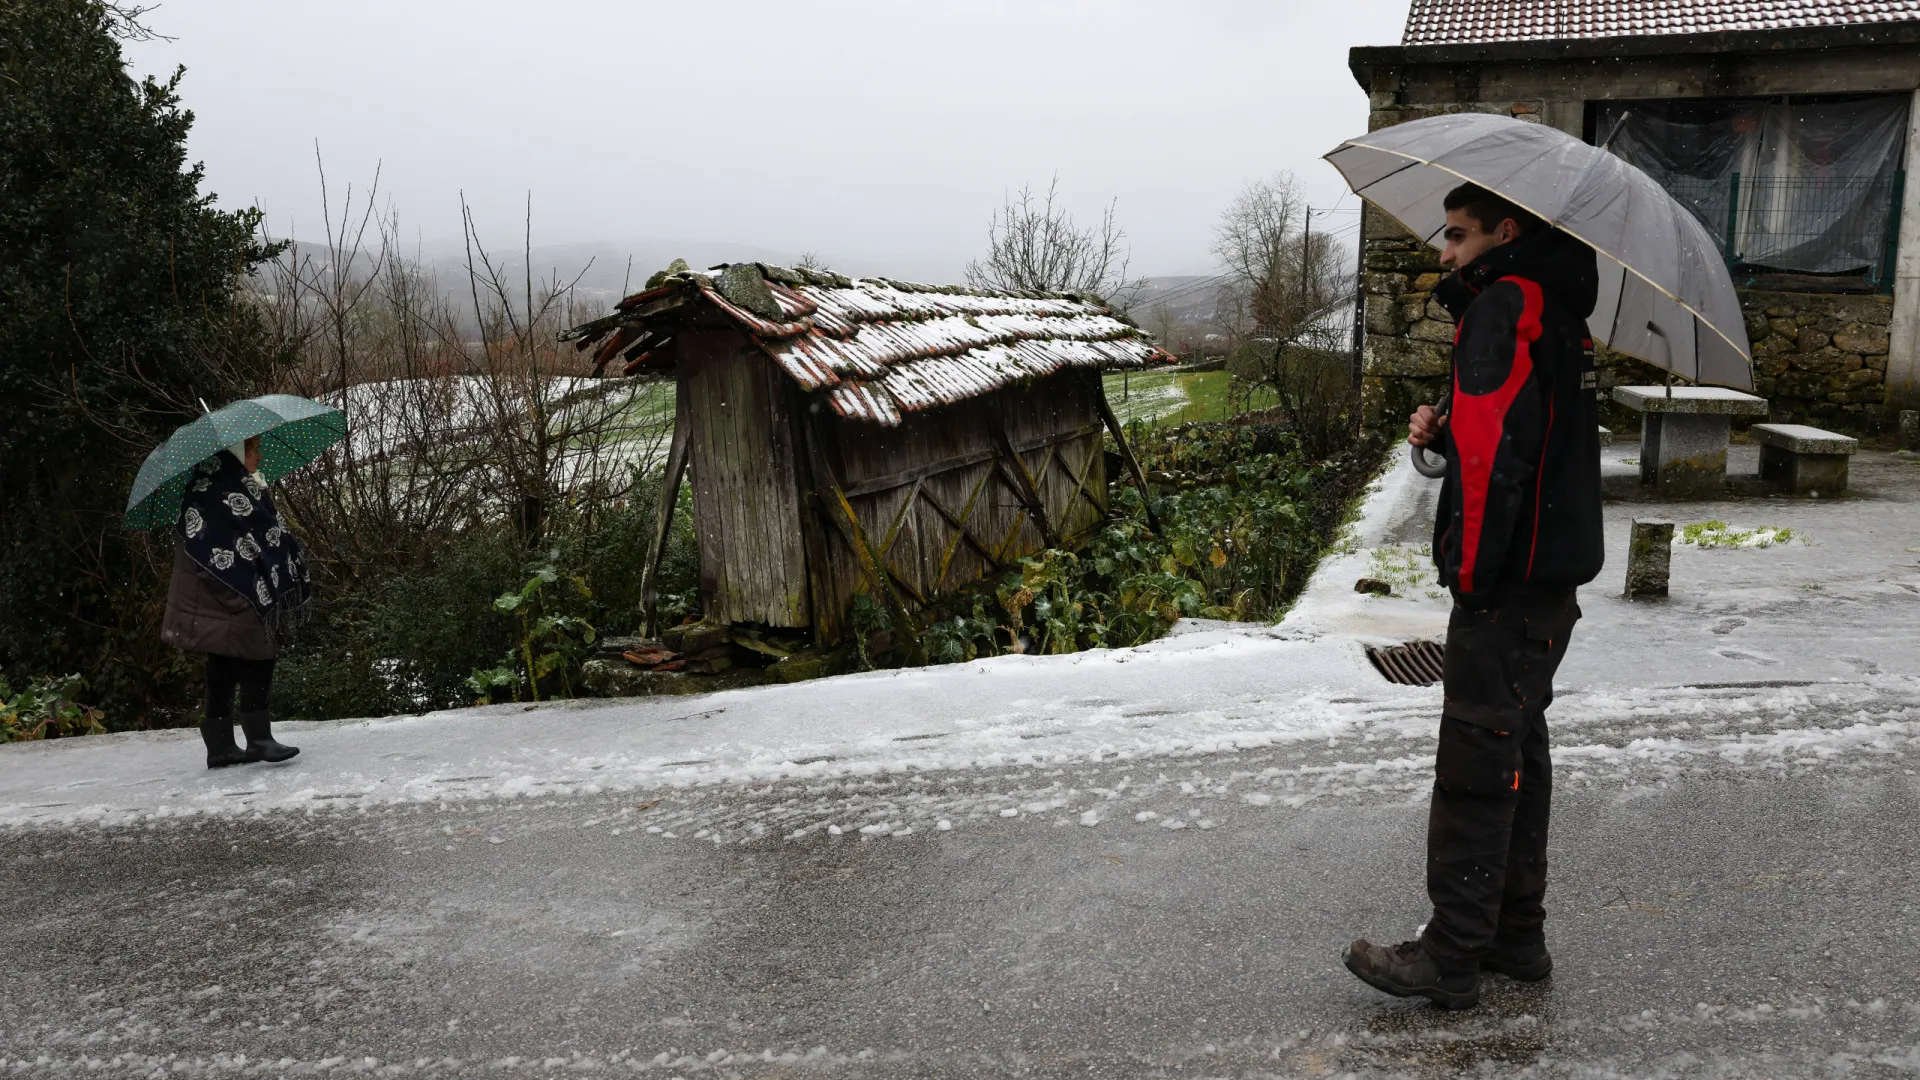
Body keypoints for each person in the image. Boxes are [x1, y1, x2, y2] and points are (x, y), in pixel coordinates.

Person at [1343, 183, 1604, 1009]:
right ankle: (1514, 938)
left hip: (1510, 584)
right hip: (1552, 575)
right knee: (1515, 751)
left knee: (1472, 763)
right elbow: (1514, 439)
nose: (1443, 253)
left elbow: (1495, 467)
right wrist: (1446, 433)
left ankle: (1451, 956)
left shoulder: (1504, 307)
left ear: (1505, 232)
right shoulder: (1556, 309)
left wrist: (1472, 578)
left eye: (1457, 236)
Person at [161, 435, 312, 769]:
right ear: (236, 454)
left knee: (224, 667)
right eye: (253, 450)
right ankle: (258, 740)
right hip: (229, 593)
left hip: (227, 594)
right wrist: (246, 589)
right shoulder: (215, 493)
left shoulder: (231, 486)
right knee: (259, 658)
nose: (259, 455)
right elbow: (214, 550)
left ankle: (221, 747)